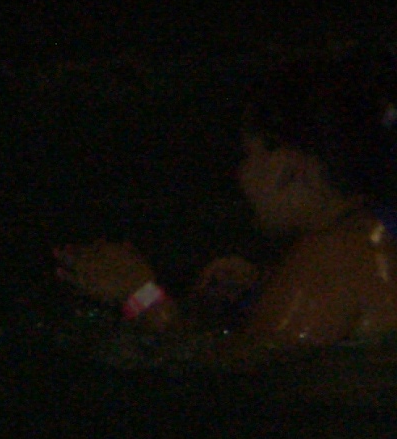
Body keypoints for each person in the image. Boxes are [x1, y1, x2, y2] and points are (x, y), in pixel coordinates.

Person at [54, 52, 397, 365]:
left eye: (249, 155)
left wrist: (140, 295)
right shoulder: (370, 238)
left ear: (292, 168)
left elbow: (240, 374)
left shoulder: (329, 257)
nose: (240, 174)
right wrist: (266, 286)